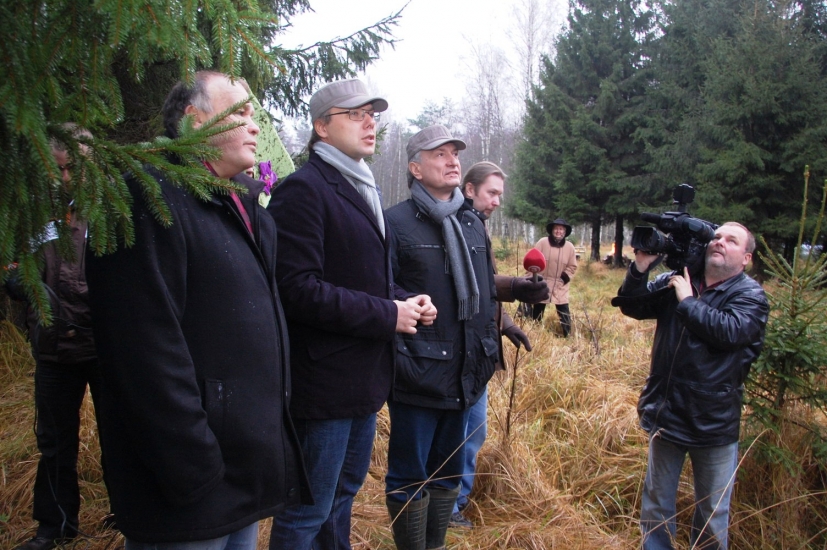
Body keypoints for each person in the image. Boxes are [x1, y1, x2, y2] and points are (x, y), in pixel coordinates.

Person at [84, 71, 308, 549]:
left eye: (256, 114)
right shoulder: (144, 197)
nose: (254, 126)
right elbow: (142, 353)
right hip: (188, 486)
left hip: (244, 471)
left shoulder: (249, 210)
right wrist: (196, 468)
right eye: (240, 112)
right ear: (194, 120)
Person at [266, 79, 435, 550]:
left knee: (340, 499)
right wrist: (387, 314)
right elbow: (296, 289)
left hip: (362, 380)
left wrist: (408, 300)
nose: (370, 123)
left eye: (373, 114)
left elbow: (366, 279)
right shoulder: (303, 190)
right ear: (322, 127)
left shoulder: (361, 185)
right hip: (324, 386)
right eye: (355, 114)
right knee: (307, 511)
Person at [615, 222, 769, 549]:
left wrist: (687, 302)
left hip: (712, 423)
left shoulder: (750, 295)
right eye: (716, 237)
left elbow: (730, 332)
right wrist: (640, 268)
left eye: (731, 240)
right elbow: (633, 304)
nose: (719, 242)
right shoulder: (681, 280)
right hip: (667, 415)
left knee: (712, 513)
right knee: (656, 507)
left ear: (746, 258)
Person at [384, 125, 499, 550]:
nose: (453, 161)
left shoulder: (471, 222)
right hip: (417, 369)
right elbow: (380, 286)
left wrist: (496, 334)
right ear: (415, 168)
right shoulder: (394, 222)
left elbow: (483, 291)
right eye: (440, 154)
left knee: (449, 472)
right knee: (409, 475)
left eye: (455, 153)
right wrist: (407, 300)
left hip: (467, 372)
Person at [7, 126, 104, 550]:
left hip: (106, 346)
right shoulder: (34, 215)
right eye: (58, 170)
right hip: (51, 346)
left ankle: (129, 514)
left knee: (122, 433)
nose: (65, 179)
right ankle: (56, 526)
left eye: (73, 169)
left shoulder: (111, 210)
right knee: (54, 440)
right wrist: (17, 283)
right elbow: (16, 266)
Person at [449, 161, 548, 529]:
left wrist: (507, 325)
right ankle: (445, 508)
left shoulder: (479, 226)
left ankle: (455, 503)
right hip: (462, 353)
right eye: (491, 193)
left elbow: (485, 290)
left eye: (500, 196)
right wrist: (517, 288)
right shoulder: (457, 225)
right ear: (470, 189)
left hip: (483, 351)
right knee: (458, 435)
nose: (496, 202)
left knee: (475, 433)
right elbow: (474, 287)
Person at [525, 219, 578, 336]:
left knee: (564, 310)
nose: (559, 231)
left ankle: (568, 335)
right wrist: (532, 279)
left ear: (565, 232)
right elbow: (532, 260)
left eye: (561, 229)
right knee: (538, 309)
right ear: (552, 230)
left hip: (560, 284)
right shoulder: (542, 242)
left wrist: (563, 279)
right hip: (542, 282)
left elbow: (572, 266)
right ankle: (534, 333)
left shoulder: (570, 247)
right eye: (556, 229)